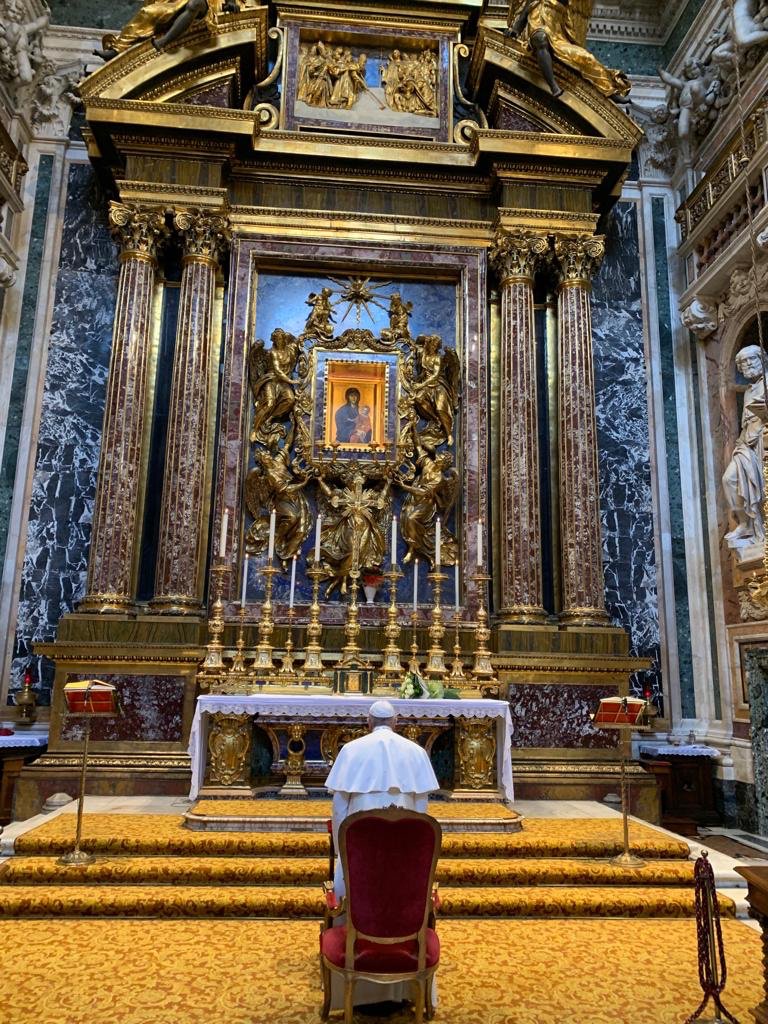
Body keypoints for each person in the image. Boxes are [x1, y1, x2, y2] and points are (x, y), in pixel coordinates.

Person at [325, 699, 439, 900]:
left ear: (368, 722)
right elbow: (421, 807)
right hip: (403, 836)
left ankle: (349, 914)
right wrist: (416, 841)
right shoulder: (416, 752)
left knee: (354, 884)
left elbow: (339, 806)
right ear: (396, 722)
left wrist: (340, 845)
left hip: (358, 838)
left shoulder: (350, 750)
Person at [723, 345, 768, 545]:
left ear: (762, 359)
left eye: (752, 359)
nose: (748, 364)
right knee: (729, 479)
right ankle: (746, 524)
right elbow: (746, 424)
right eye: (743, 362)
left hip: (764, 441)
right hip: (747, 445)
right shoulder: (749, 391)